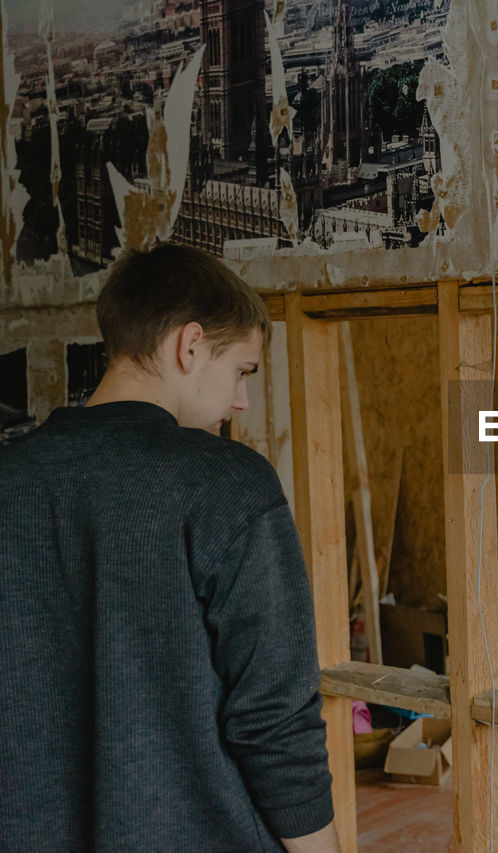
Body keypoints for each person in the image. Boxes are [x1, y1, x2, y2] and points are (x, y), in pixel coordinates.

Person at [0, 244, 339, 852]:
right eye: (241, 371)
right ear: (189, 346)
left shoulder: (11, 478)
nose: (241, 402)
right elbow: (274, 722)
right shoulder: (226, 483)